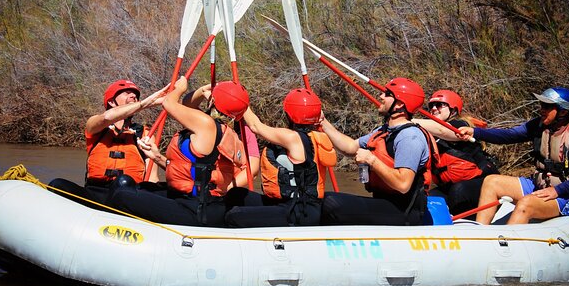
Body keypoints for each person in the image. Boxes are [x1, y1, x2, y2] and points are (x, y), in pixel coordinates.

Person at [109, 77, 250, 227]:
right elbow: (188, 105)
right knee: (144, 188)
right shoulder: (223, 131)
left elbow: (168, 103)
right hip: (200, 202)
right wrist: (157, 156)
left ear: (213, 100)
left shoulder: (206, 124)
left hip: (196, 209)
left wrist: (179, 89)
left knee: (121, 194)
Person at [458, 87, 569, 225]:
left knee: (525, 203)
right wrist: (475, 132)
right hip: (541, 184)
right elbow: (508, 135)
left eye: (547, 106)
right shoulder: (539, 125)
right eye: (541, 105)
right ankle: (481, 233)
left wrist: (557, 190)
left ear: (562, 112)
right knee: (491, 182)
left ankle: (506, 245)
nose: (541, 109)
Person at [319, 77, 438, 225]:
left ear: (400, 104)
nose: (381, 96)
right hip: (385, 203)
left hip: (405, 212)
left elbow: (403, 184)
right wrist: (322, 122)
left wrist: (371, 160)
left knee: (330, 203)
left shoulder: (410, 137)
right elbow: (349, 147)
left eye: (387, 94)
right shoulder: (383, 131)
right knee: (322, 199)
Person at [225, 88, 337, 227]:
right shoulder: (315, 136)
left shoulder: (291, 138)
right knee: (235, 194)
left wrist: (239, 99)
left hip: (299, 211)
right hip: (294, 204)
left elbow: (255, 126)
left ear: (289, 114)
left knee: (234, 216)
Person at [48, 79, 165, 207]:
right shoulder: (95, 126)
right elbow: (107, 117)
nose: (134, 96)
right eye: (127, 93)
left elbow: (152, 178)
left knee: (123, 181)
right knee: (57, 184)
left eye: (136, 95)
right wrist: (145, 103)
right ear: (111, 102)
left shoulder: (145, 134)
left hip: (128, 194)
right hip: (94, 193)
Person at [413, 89, 499, 216]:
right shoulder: (428, 132)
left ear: (453, 110)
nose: (434, 108)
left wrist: (407, 120)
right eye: (431, 105)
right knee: (427, 200)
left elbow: (443, 130)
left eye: (439, 105)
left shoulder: (460, 125)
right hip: (449, 186)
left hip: (482, 182)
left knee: (458, 191)